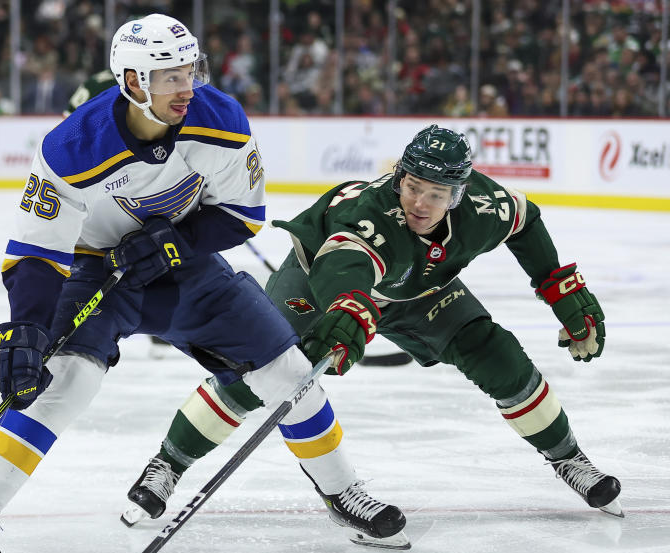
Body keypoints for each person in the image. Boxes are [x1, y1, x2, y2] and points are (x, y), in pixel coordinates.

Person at [0, 14, 407, 553]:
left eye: (189, 71)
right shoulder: (72, 146)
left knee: (291, 373)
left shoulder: (220, 119)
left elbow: (241, 215)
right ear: (131, 81)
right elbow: (36, 250)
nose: (186, 87)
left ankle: (343, 492)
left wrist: (176, 243)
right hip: (96, 271)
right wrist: (26, 329)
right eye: (169, 76)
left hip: (187, 271)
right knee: (64, 382)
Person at [123, 124, 622, 531]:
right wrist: (347, 312)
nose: (420, 203)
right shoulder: (373, 216)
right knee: (260, 369)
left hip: (417, 289)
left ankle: (569, 458)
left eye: (436, 193)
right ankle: (168, 465)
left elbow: (527, 221)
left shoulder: (486, 208)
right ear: (399, 177)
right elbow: (345, 266)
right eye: (412, 187)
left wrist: (562, 291)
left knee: (497, 355)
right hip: (322, 277)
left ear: (460, 193)